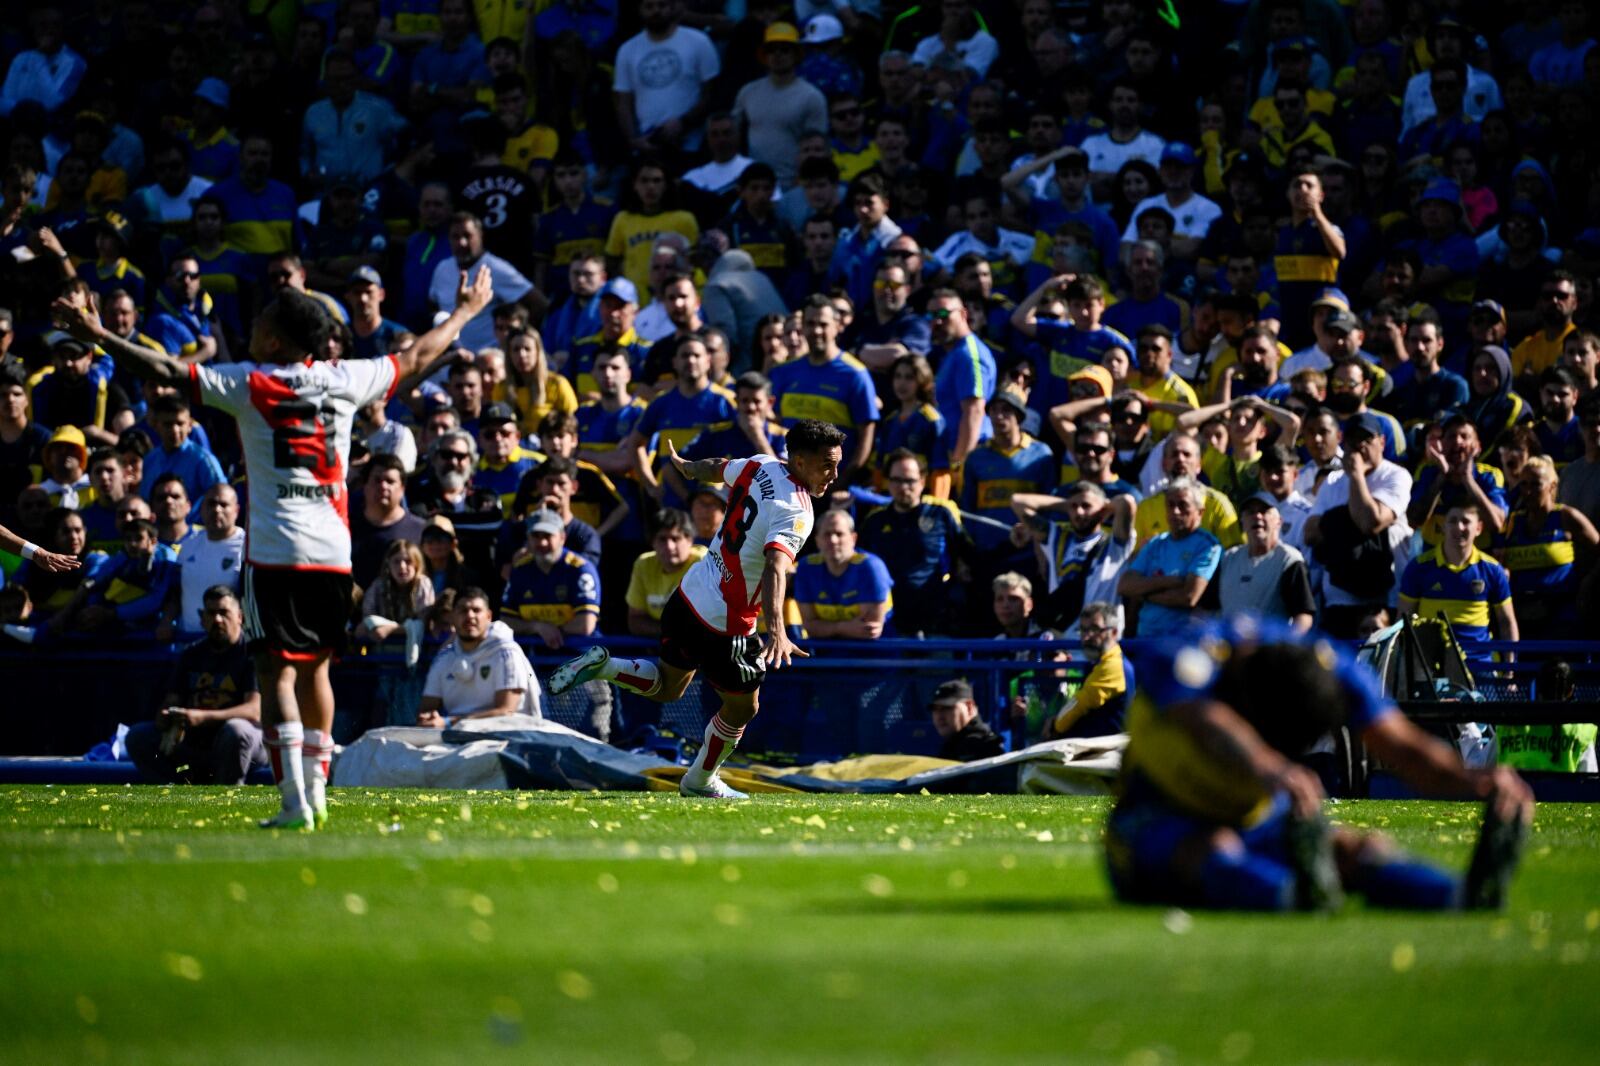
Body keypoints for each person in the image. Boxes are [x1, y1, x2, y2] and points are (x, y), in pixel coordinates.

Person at [52, 262, 495, 831]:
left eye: (262, 321)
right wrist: (465, 312)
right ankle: (318, 793)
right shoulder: (346, 377)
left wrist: (99, 336)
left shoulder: (248, 382)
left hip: (276, 553)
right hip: (334, 553)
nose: (255, 328)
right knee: (317, 674)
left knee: (274, 675)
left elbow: (165, 367)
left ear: (276, 339)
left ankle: (294, 803)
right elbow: (413, 357)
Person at [1105, 615, 1534, 912]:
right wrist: (1268, 765)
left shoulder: (1334, 671)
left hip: (1255, 816)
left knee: (1355, 850)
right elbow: (1202, 718)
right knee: (1215, 849)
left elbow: (1402, 745)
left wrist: (1474, 780)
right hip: (1157, 815)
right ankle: (1292, 896)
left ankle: (1460, 897)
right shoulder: (1191, 652)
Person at [549, 420, 845, 799]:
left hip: (689, 593)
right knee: (743, 709)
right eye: (827, 465)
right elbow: (775, 567)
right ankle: (700, 780)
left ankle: (605, 666)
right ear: (800, 461)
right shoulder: (798, 511)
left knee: (668, 688)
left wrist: (687, 467)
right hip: (727, 622)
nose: (834, 475)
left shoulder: (760, 464)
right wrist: (779, 631)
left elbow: (718, 467)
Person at [125, 586, 266, 785]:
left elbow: (254, 711)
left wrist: (202, 717)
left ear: (240, 617)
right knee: (139, 736)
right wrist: (166, 716)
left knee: (236, 731)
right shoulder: (191, 655)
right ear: (202, 618)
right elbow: (172, 699)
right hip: (196, 740)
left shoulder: (252, 654)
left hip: (246, 743)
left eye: (224, 613)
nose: (217, 619)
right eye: (211, 613)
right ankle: (177, 787)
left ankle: (229, 792)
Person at [1305, 412, 1414, 638]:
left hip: (1386, 597)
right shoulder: (1333, 481)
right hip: (1340, 597)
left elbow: (1370, 523)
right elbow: (1310, 532)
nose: (1360, 446)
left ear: (1382, 442)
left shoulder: (1396, 475)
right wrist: (1350, 516)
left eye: (1367, 439)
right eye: (1353, 441)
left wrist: (1356, 477)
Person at [418, 587, 543, 728]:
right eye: (463, 610)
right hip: (456, 740)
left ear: (489, 616)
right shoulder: (443, 659)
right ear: (452, 616)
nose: (470, 616)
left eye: (476, 610)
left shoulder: (506, 654)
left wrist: (449, 722)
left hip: (510, 738)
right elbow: (426, 711)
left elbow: (506, 712)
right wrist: (427, 720)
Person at [1118, 478, 1222, 637]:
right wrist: (1168, 581)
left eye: (1183, 505)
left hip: (1182, 643)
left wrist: (1144, 593)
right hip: (1146, 639)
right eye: (1170, 505)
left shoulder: (1207, 545)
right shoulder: (1156, 543)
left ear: (1200, 511)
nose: (1175, 511)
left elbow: (1188, 597)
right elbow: (1125, 585)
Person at [498, 508, 601, 650]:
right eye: (536, 536)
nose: (542, 543)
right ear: (527, 539)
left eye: (548, 535)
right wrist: (537, 627)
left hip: (580, 657)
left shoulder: (580, 570)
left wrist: (552, 631)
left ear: (562, 538)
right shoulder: (520, 570)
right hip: (535, 658)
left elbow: (585, 624)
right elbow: (506, 621)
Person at [1218, 493, 1317, 633]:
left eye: (1264, 511)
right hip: (1230, 649)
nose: (1257, 516)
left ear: (1279, 521)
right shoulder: (1228, 559)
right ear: (1242, 522)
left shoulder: (1289, 560)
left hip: (1268, 650)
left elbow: (1303, 615)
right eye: (1250, 512)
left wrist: (1289, 645)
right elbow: (1207, 608)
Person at [795, 509, 894, 640]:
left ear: (853, 538)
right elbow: (810, 627)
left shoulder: (871, 568)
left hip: (876, 653)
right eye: (827, 534)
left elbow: (869, 630)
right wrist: (842, 627)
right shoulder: (806, 568)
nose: (833, 540)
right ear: (817, 540)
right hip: (825, 652)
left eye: (839, 534)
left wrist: (826, 627)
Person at [1039, 602, 1132, 740]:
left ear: (1113, 632)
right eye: (1083, 630)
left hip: (1106, 752)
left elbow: (1079, 704)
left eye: (1095, 629)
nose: (1087, 637)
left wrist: (1055, 725)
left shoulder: (1112, 665)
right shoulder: (1104, 661)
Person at [163, 483, 245, 641]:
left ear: (236, 510)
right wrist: (167, 620)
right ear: (201, 509)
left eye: (224, 504)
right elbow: (175, 592)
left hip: (231, 642)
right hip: (188, 638)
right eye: (212, 504)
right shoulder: (187, 546)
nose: (217, 509)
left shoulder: (247, 547)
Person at [929, 678, 1005, 763]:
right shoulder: (952, 745)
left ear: (969, 707)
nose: (939, 716)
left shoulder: (982, 747)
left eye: (947, 708)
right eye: (934, 709)